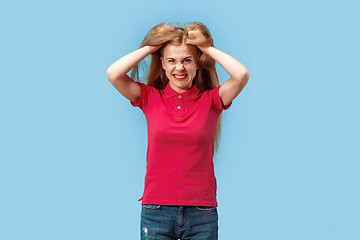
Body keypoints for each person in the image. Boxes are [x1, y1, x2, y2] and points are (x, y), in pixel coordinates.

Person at [106, 22, 249, 240]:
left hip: (202, 212)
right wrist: (152, 46)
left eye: (187, 60)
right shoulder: (150, 98)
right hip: (156, 211)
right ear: (162, 63)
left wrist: (206, 47)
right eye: (171, 60)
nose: (179, 68)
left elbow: (242, 75)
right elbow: (113, 73)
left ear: (197, 64)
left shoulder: (211, 101)